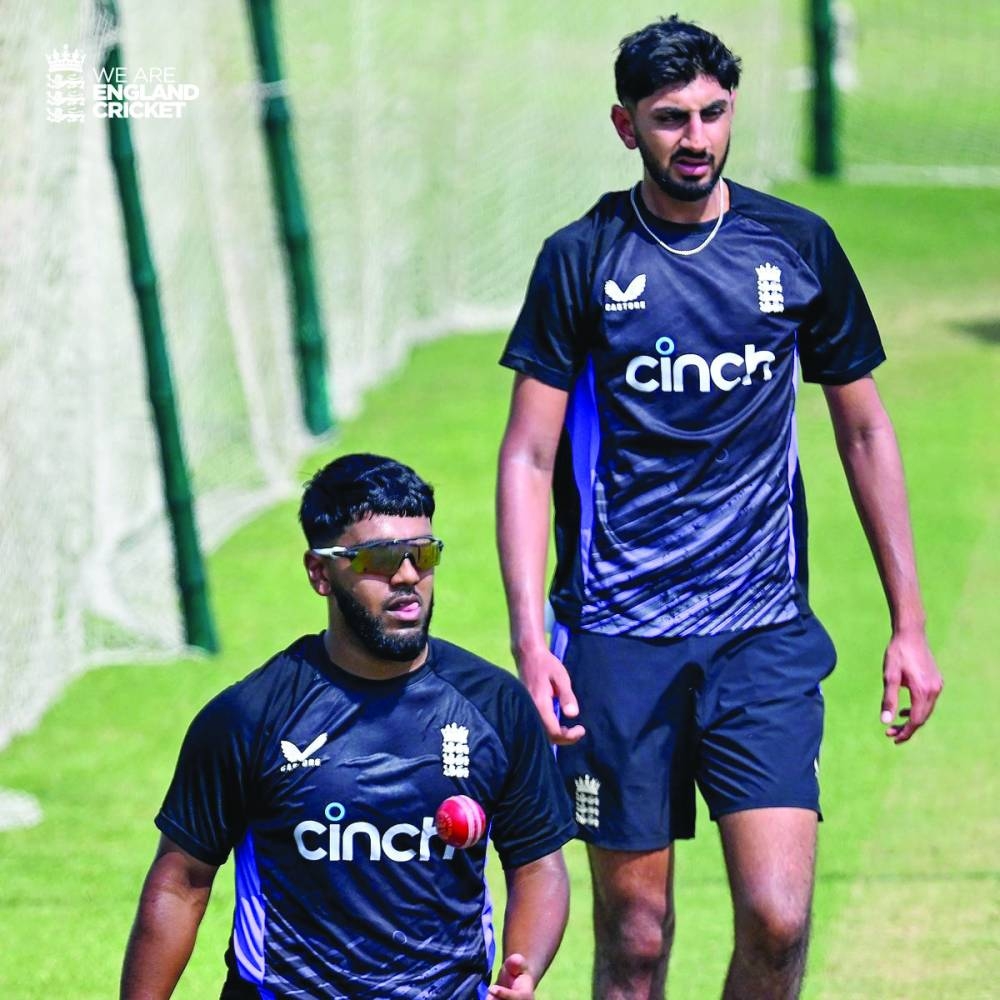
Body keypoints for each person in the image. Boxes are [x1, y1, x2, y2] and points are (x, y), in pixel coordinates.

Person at [496, 15, 942, 999]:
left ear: (731, 110)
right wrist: (534, 642)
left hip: (761, 637)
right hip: (615, 641)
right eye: (667, 119)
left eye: (710, 112)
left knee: (778, 922)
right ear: (626, 127)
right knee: (638, 937)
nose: (693, 136)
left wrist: (907, 625)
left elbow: (863, 430)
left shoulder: (795, 247)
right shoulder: (580, 260)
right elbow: (528, 456)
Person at [121, 453, 575, 1000]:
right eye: (379, 559)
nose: (407, 576)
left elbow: (538, 865)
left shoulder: (495, 706)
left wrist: (523, 970)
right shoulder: (250, 716)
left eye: (422, 554)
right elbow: (180, 883)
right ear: (320, 572)